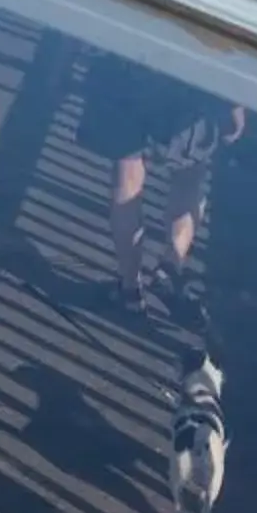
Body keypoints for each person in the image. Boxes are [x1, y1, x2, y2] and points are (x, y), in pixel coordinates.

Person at [81, 47, 243, 321]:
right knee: (189, 179)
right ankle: (170, 266)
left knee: (127, 181)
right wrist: (236, 108)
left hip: (133, 70)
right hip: (192, 86)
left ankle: (130, 289)